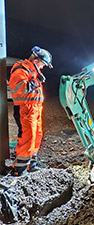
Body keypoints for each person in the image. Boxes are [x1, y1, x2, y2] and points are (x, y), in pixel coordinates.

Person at [8, 46, 53, 176]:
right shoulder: (21, 69)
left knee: (36, 136)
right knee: (27, 138)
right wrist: (36, 81)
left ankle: (31, 164)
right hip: (25, 109)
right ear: (35, 60)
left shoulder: (32, 71)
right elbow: (18, 89)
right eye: (43, 64)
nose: (43, 67)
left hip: (35, 109)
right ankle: (20, 169)